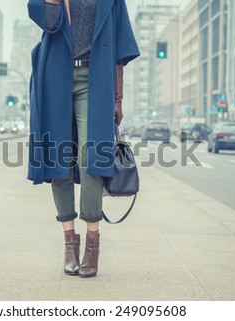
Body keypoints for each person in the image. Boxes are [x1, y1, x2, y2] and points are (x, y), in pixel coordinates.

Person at [27, 0, 139, 278]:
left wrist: (117, 97)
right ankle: (69, 246)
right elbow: (50, 23)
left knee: (92, 158)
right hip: (55, 77)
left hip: (96, 80)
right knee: (59, 160)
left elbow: (120, 50)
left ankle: (92, 246)